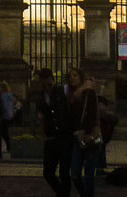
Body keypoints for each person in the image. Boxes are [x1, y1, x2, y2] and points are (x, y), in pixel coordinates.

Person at [36, 67, 71, 196]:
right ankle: (62, 193)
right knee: (48, 173)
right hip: (51, 138)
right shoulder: (40, 97)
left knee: (64, 172)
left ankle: (63, 194)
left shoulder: (63, 90)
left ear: (52, 79)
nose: (47, 86)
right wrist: (43, 134)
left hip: (64, 137)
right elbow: (41, 117)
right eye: (44, 83)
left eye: (48, 82)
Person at [69, 71, 100, 197]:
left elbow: (92, 114)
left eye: (75, 75)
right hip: (77, 138)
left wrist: (86, 132)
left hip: (89, 137)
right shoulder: (70, 95)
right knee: (75, 173)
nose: (72, 78)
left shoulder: (89, 93)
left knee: (88, 175)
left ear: (81, 78)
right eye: (70, 76)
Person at [0, 80, 18, 158]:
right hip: (10, 115)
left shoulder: (3, 96)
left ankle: (9, 146)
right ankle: (9, 146)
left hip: (5, 116)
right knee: (5, 131)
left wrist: (3, 113)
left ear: (2, 88)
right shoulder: (10, 95)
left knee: (3, 132)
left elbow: (4, 106)